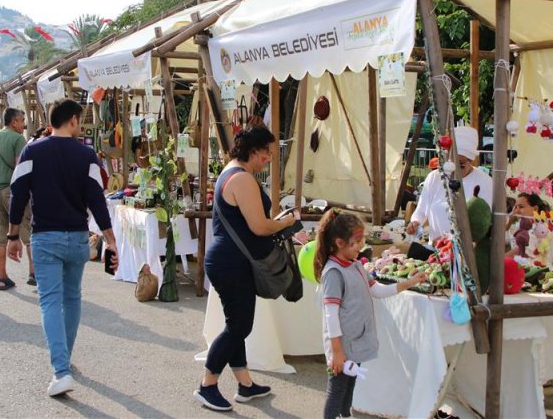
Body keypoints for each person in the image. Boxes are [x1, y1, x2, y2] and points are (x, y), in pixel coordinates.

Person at [6, 98, 118, 397]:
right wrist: (109, 238)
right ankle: (64, 361)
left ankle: (61, 369)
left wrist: (13, 234)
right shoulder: (87, 155)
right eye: (79, 120)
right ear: (71, 120)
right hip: (78, 237)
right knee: (72, 298)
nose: (79, 125)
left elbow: (18, 194)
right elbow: (97, 198)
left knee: (51, 301)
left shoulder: (32, 151)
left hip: (45, 237)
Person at [194, 125, 297, 412]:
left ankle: (245, 384)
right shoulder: (242, 179)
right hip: (231, 262)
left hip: (228, 259)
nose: (269, 158)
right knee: (239, 326)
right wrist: (286, 223)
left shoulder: (232, 171)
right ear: (254, 150)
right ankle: (207, 384)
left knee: (235, 324)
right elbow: (260, 226)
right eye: (267, 152)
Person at [315, 209, 427, 419]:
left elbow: (377, 290)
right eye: (356, 243)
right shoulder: (333, 273)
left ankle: (345, 416)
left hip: (355, 343)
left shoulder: (356, 265)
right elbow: (330, 315)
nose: (360, 247)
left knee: (349, 385)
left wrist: (409, 283)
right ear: (339, 243)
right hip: (341, 346)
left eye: (362, 241)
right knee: (336, 390)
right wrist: (337, 351)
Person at [407, 125, 493, 244]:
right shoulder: (435, 177)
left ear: (471, 161)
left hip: (468, 253)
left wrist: (449, 240)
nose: (454, 168)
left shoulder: (484, 182)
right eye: (450, 161)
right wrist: (415, 222)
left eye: (461, 164)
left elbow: (482, 223)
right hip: (436, 250)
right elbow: (421, 211)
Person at [0, 108, 35, 290]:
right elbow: (20, 166)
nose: (23, 124)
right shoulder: (18, 139)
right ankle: (33, 273)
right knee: (28, 233)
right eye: (21, 120)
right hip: (13, 192)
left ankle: (2, 277)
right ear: (14, 122)